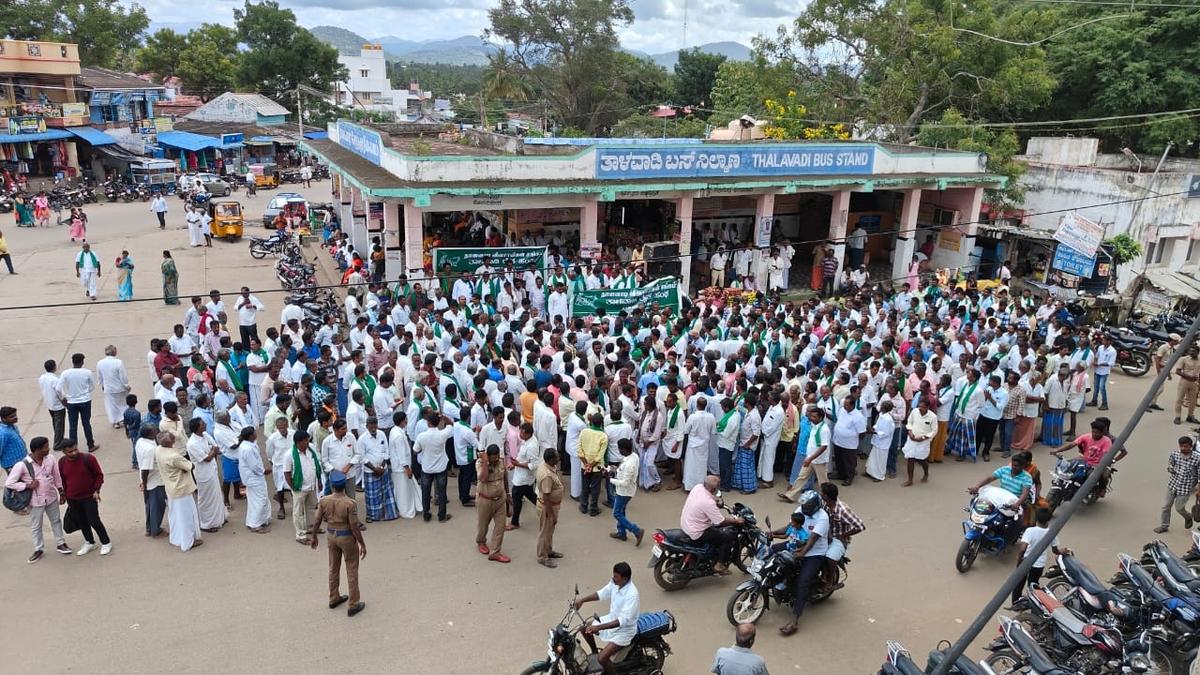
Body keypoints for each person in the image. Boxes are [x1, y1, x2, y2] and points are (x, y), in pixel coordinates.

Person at [5, 436, 72, 562]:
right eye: (46, 447)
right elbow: (9, 483)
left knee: (56, 520)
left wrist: (61, 492)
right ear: (37, 450)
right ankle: (38, 549)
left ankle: (60, 543)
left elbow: (56, 476)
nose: (48, 449)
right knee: (36, 526)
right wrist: (27, 485)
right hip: (35, 501)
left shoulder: (50, 459)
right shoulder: (22, 465)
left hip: (51, 497)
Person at [309, 470, 367, 617]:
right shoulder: (350, 503)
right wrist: (362, 544)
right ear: (344, 486)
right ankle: (353, 604)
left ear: (332, 485)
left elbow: (317, 521)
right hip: (346, 537)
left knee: (333, 568)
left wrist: (314, 536)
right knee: (351, 569)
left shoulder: (324, 500)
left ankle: (333, 597)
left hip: (331, 535)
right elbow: (354, 526)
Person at [572, 562, 641, 675]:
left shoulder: (632, 595)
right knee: (584, 628)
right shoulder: (615, 583)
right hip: (611, 619)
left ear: (625, 578)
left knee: (602, 658)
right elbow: (602, 594)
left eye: (615, 576)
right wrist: (582, 600)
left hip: (624, 630)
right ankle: (594, 652)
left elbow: (622, 621)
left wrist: (598, 627)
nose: (613, 578)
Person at [777, 490, 830, 637]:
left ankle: (794, 619)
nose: (804, 510)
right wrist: (771, 533)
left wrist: (801, 554)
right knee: (773, 552)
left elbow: (812, 540)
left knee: (803, 581)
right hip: (797, 543)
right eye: (803, 506)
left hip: (814, 553)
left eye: (807, 507)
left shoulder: (822, 518)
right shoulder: (801, 509)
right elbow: (789, 527)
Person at [57, 439, 112, 556]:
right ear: (63, 452)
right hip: (72, 498)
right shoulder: (61, 462)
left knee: (94, 521)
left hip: (89, 496)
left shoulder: (88, 459)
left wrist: (97, 490)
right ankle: (89, 542)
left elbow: (99, 475)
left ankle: (106, 542)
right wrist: (63, 494)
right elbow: (62, 479)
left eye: (75, 449)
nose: (74, 453)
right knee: (82, 521)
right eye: (70, 452)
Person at [681, 476, 745, 574]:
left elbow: (707, 496)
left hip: (686, 523)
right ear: (714, 489)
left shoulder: (698, 487)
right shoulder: (708, 503)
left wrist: (715, 500)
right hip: (697, 531)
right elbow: (720, 522)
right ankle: (719, 565)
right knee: (727, 538)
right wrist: (735, 521)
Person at [154, 431, 203, 552]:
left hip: (171, 487)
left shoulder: (159, 449)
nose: (174, 440)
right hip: (181, 489)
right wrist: (186, 468)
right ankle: (188, 541)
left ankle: (177, 538)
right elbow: (190, 466)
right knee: (186, 516)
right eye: (172, 439)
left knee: (175, 515)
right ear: (168, 442)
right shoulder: (173, 456)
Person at [1011, 507, 1070, 605]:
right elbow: (1055, 550)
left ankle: (1016, 601)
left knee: (1019, 582)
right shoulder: (1051, 533)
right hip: (1039, 564)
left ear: (1036, 518)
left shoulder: (1030, 531)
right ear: (1049, 520)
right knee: (1033, 583)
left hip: (1026, 561)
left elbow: (1022, 549)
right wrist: (1062, 551)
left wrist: (1019, 561)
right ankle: (1035, 602)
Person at [185, 418, 227, 532]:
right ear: (197, 427)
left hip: (212, 470)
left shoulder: (205, 435)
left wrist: (213, 451)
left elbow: (216, 448)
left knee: (217, 494)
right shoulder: (192, 443)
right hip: (203, 474)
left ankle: (220, 518)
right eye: (203, 424)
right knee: (206, 499)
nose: (205, 425)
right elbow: (207, 458)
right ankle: (206, 524)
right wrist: (212, 451)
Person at [284, 430, 324, 544]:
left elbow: (316, 466)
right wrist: (294, 488)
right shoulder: (289, 455)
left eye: (307, 440)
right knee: (299, 512)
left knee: (312, 508)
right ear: (298, 442)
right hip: (299, 488)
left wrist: (319, 481)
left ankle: (311, 527)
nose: (307, 442)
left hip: (312, 486)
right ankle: (300, 535)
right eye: (305, 440)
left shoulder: (310, 449)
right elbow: (287, 473)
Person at [1155, 436, 1200, 534]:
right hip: (1173, 484)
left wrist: (1198, 489)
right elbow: (1170, 463)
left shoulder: (1197, 458)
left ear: (1191, 446)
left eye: (1186, 446)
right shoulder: (1174, 454)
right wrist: (1170, 468)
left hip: (1185, 488)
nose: (1183, 448)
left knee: (1179, 508)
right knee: (1166, 506)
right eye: (1181, 446)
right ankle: (1164, 526)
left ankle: (1188, 517)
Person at [475, 443, 511, 563]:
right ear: (488, 456)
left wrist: (508, 494)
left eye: (497, 456)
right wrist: (485, 462)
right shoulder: (480, 463)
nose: (495, 459)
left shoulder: (501, 462)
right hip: (485, 500)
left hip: (500, 500)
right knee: (483, 525)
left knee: (501, 526)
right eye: (493, 457)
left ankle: (495, 552)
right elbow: (483, 478)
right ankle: (481, 542)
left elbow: (504, 477)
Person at [59, 352, 97, 451]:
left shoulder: (65, 373)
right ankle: (91, 445)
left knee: (73, 426)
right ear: (82, 362)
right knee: (86, 423)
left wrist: (64, 398)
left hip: (71, 402)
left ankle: (72, 447)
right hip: (85, 401)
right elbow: (92, 387)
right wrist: (85, 392)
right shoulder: (87, 372)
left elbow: (59, 388)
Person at [608, 438, 643, 546]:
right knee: (621, 511)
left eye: (619, 448)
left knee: (617, 513)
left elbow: (625, 483)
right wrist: (615, 470)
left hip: (624, 492)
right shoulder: (633, 456)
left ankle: (636, 530)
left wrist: (610, 480)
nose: (618, 450)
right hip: (626, 490)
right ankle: (621, 533)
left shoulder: (629, 464)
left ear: (623, 449)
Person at [238, 426, 272, 532]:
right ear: (250, 436)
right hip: (253, 477)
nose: (256, 434)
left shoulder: (248, 445)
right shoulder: (247, 448)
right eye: (254, 433)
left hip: (253, 477)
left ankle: (256, 520)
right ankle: (255, 524)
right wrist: (264, 471)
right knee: (260, 499)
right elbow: (254, 466)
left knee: (255, 499)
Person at [135, 425, 167, 538]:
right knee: (157, 506)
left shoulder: (140, 441)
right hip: (155, 481)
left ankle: (150, 528)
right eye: (154, 431)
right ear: (149, 434)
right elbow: (145, 469)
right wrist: (144, 484)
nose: (157, 432)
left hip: (150, 481)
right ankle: (155, 530)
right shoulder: (150, 449)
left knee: (150, 505)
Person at [536, 448, 565, 568]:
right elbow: (546, 496)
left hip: (551, 505)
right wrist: (551, 514)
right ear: (551, 459)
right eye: (557, 457)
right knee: (545, 531)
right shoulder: (547, 475)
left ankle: (549, 550)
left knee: (549, 531)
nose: (559, 459)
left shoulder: (546, 465)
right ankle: (542, 557)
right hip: (547, 507)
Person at [902, 397, 937, 487]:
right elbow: (909, 422)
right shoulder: (914, 412)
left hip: (923, 442)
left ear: (928, 407)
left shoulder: (933, 417)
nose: (920, 409)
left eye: (923, 407)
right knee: (910, 458)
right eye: (919, 406)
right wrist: (910, 432)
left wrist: (924, 437)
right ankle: (910, 480)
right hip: (912, 439)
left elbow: (934, 431)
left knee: (922, 460)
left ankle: (926, 473)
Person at [96, 345, 131, 430]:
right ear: (114, 352)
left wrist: (102, 385)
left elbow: (99, 376)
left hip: (108, 388)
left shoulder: (100, 363)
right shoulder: (119, 362)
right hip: (120, 388)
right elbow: (123, 376)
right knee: (123, 404)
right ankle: (124, 419)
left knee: (111, 405)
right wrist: (126, 385)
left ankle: (115, 422)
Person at [1151, 333, 1181, 412]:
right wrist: (1158, 372)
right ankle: (1148, 403)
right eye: (1176, 341)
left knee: (1158, 388)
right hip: (1160, 369)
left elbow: (1168, 362)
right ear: (1173, 341)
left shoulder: (1171, 348)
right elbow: (1158, 359)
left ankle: (1153, 403)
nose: (1178, 342)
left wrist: (1168, 375)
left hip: (1164, 370)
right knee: (1159, 389)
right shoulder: (1164, 347)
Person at [0, 406, 28, 480]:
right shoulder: (2, 433)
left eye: (15, 415)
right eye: (11, 416)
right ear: (4, 419)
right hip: (12, 465)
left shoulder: (12, 426)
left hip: (22, 460)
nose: (15, 417)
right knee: (17, 485)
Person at [1175, 345, 1200, 425]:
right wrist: (1189, 376)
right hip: (1184, 381)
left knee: (1193, 401)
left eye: (1193, 351)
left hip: (1195, 382)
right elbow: (1178, 371)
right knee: (1179, 399)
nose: (1191, 353)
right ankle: (1177, 416)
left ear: (1197, 352)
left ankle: (1190, 416)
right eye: (1190, 351)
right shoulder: (1184, 359)